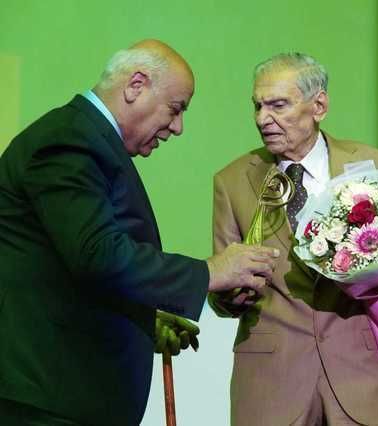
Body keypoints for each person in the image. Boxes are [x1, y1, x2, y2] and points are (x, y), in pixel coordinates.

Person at [0, 40, 278, 426]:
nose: (178, 127)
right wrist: (211, 271)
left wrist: (144, 319)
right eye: (176, 108)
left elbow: (64, 270)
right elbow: (97, 254)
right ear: (135, 86)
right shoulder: (68, 140)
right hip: (51, 401)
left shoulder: (84, 137)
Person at [209, 52, 378, 426]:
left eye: (278, 105)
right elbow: (222, 292)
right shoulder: (233, 181)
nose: (262, 118)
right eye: (257, 105)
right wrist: (231, 294)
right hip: (272, 385)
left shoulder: (373, 164)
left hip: (360, 378)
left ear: (319, 106)